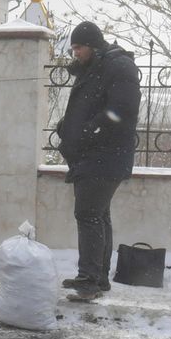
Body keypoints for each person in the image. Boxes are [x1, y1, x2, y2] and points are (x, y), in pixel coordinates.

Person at [54, 21, 141, 301]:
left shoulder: (118, 67)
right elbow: (91, 105)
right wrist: (68, 126)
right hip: (97, 156)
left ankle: (89, 281)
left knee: (88, 215)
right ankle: (97, 278)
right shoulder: (98, 67)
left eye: (79, 48)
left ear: (92, 45)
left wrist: (87, 130)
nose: (75, 53)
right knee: (98, 215)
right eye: (74, 48)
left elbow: (122, 111)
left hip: (105, 156)